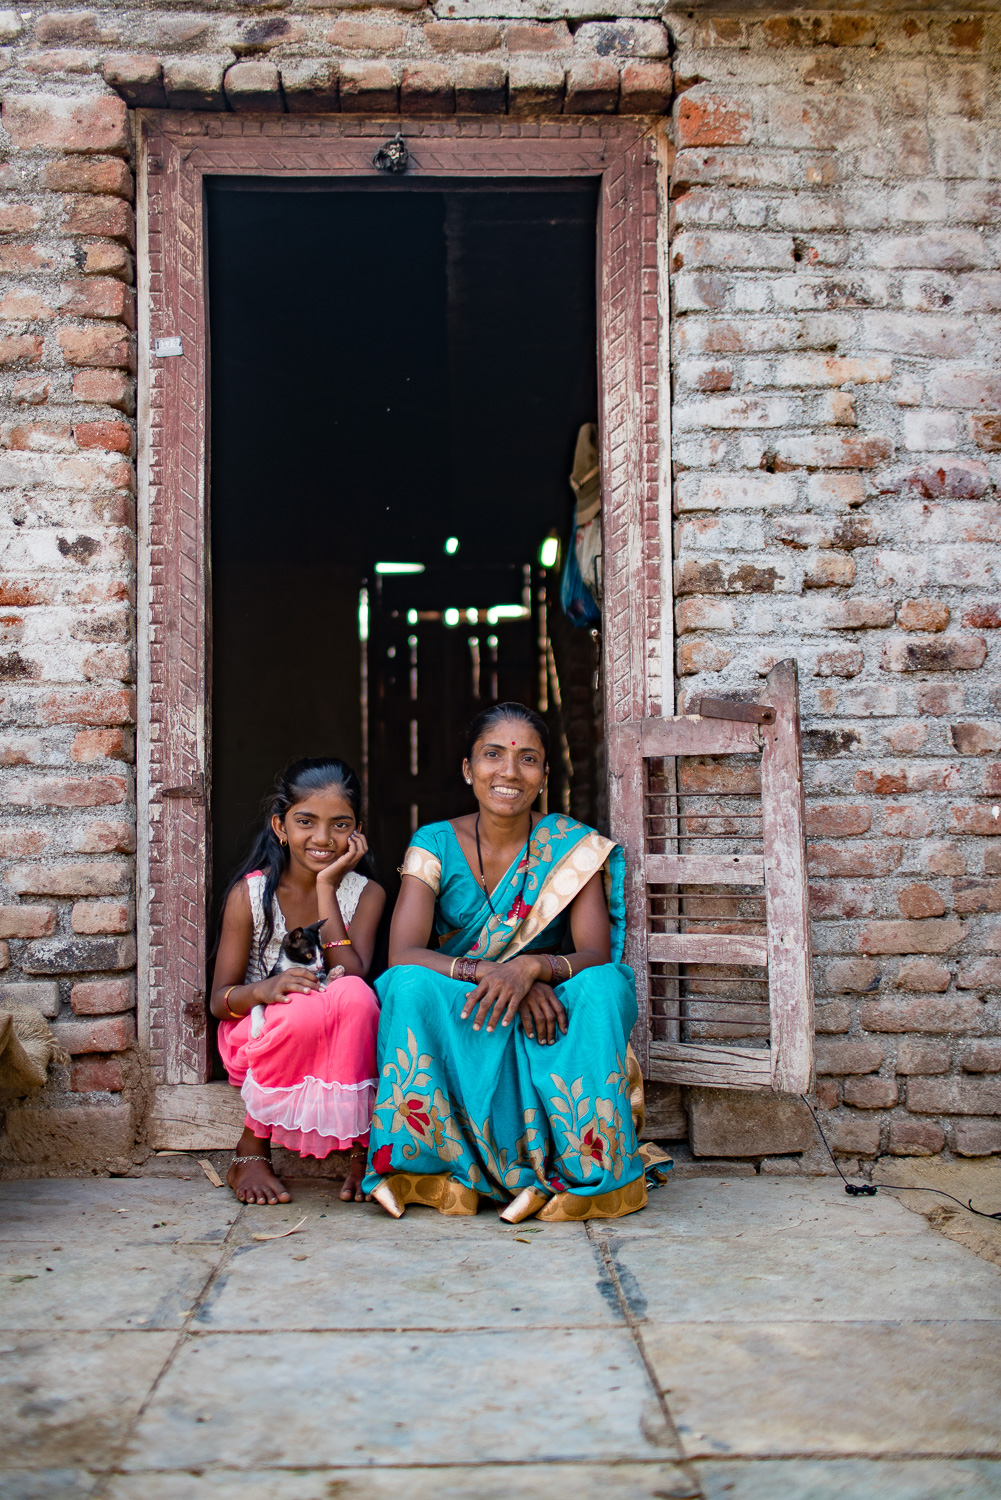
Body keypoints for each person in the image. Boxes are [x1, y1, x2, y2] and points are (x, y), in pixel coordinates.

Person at [362, 702, 646, 1224]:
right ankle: (435, 1169)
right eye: (493, 755)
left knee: (605, 985)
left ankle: (590, 1174)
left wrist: (531, 968)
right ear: (468, 769)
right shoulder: (435, 843)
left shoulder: (571, 847)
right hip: (470, 998)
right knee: (405, 985)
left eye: (528, 759)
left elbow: (593, 953)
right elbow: (404, 952)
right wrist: (493, 973)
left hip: (550, 1003)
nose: (509, 772)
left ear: (543, 775)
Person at [210, 757, 385, 1206]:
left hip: (338, 1029)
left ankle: (363, 1148)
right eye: (306, 821)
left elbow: (352, 969)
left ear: (357, 832)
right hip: (262, 1031)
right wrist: (266, 991)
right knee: (306, 1006)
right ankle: (251, 1146)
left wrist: (328, 887)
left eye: (340, 824)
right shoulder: (250, 894)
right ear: (280, 826)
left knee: (356, 995)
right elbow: (219, 1000)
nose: (323, 838)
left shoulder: (366, 894)